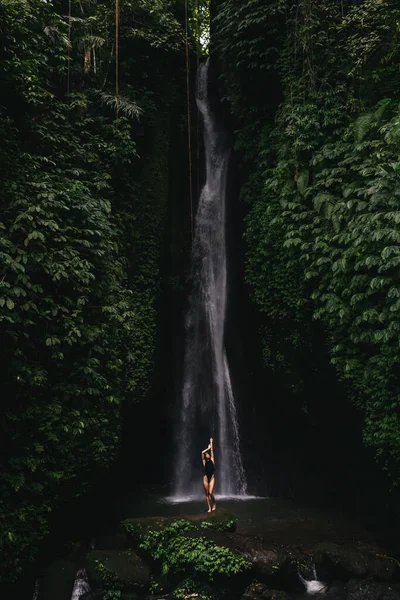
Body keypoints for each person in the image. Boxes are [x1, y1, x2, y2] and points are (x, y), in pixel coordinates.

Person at [201, 437, 216, 512]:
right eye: (206, 454)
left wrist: (211, 442)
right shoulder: (204, 462)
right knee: (206, 494)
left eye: (208, 453)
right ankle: (209, 508)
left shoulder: (212, 460)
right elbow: (202, 452)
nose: (207, 454)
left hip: (212, 478)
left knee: (210, 493)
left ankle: (214, 504)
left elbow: (212, 451)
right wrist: (208, 448)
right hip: (205, 478)